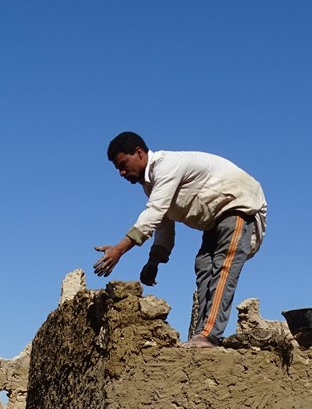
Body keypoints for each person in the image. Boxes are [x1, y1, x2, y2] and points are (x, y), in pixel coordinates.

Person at [94, 131, 267, 348]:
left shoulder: (166, 166)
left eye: (123, 164)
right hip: (214, 221)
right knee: (204, 265)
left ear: (139, 153)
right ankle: (201, 333)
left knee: (224, 267)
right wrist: (154, 261)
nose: (121, 172)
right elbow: (164, 224)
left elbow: (155, 212)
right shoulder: (151, 185)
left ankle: (209, 335)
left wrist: (120, 249)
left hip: (238, 206)